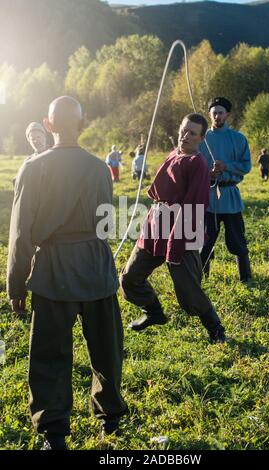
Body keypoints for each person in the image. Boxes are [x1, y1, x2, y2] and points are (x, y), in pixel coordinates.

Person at [7, 96, 127, 450]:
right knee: (106, 349)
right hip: (95, 265)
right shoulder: (98, 168)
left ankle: (54, 433)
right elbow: (105, 221)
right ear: (83, 124)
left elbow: (20, 233)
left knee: (49, 353)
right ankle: (111, 420)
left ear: (48, 125)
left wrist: (16, 284)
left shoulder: (33, 168)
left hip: (53, 270)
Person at [119, 113, 226, 344]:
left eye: (192, 133)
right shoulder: (175, 152)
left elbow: (194, 204)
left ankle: (216, 328)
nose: (185, 136)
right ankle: (154, 313)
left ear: (201, 138)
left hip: (182, 230)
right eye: (183, 129)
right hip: (156, 223)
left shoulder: (197, 163)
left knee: (188, 290)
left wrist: (176, 244)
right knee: (130, 277)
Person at [199, 97, 252, 283]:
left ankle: (245, 278)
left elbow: (246, 166)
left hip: (230, 198)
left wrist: (226, 166)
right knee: (204, 242)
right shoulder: (202, 139)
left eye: (221, 112)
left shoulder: (238, 139)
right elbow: (193, 167)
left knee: (237, 240)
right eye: (214, 112)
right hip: (209, 199)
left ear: (227, 114)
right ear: (209, 114)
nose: (217, 116)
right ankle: (200, 278)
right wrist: (209, 174)